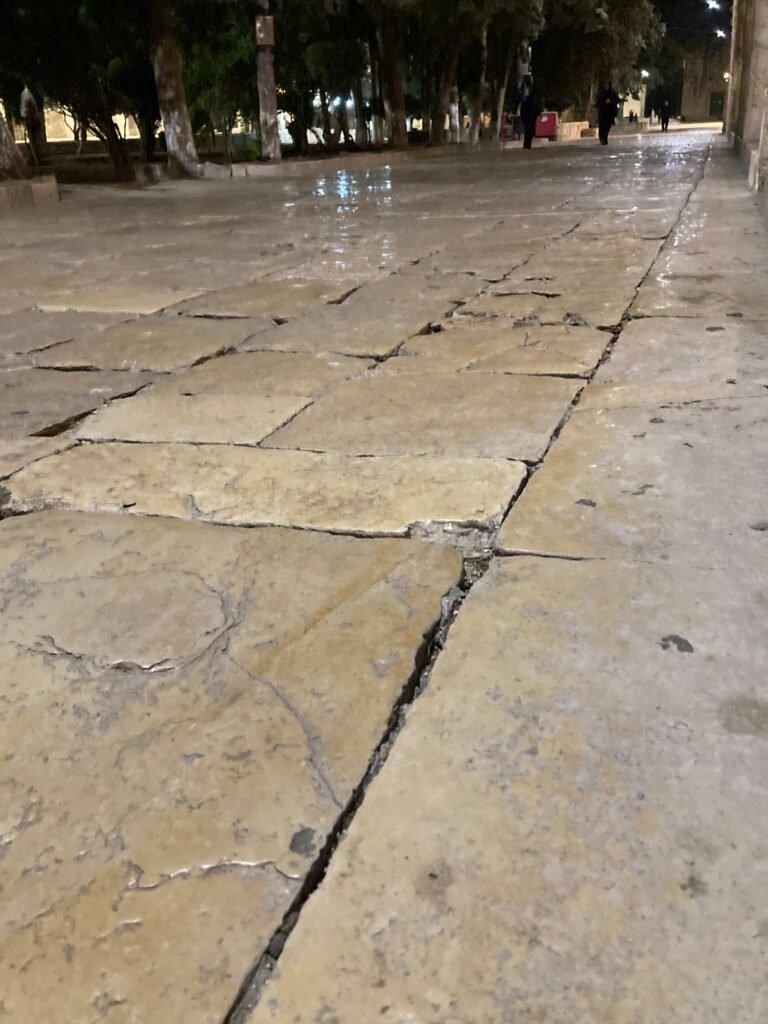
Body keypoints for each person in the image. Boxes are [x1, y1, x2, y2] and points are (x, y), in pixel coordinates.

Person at [20, 85, 42, 165]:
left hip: (30, 119)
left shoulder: (26, 94)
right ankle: (35, 159)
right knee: (33, 141)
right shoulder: (27, 93)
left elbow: (27, 108)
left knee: (33, 141)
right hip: (31, 119)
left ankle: (35, 159)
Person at [596, 82, 619, 146]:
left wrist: (611, 102)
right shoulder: (602, 93)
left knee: (607, 128)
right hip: (603, 114)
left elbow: (616, 100)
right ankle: (602, 139)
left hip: (610, 114)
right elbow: (598, 102)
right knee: (602, 127)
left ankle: (604, 139)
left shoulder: (613, 93)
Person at [520, 79, 540, 151]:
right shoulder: (526, 96)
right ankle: (527, 145)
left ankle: (527, 145)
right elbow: (523, 107)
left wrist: (537, 114)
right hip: (528, 116)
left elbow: (535, 106)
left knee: (529, 131)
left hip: (530, 116)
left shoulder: (531, 96)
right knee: (528, 131)